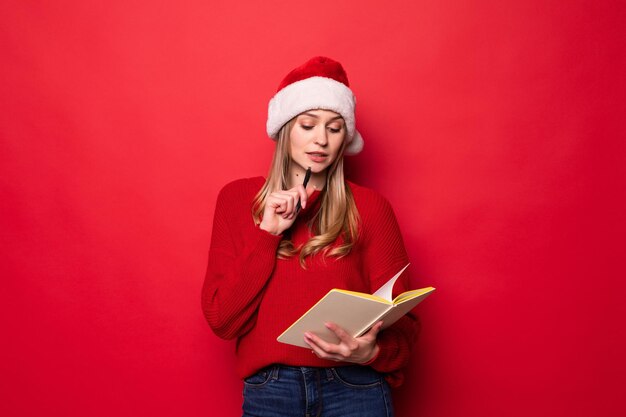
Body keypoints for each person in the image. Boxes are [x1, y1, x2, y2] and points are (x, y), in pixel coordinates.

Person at [202, 56, 419, 417]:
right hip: (272, 391)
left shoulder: (371, 207)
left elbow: (405, 325)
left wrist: (373, 353)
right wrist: (267, 233)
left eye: (335, 128)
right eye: (308, 125)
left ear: (344, 139)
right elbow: (224, 321)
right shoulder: (237, 200)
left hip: (356, 387)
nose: (321, 139)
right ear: (287, 128)